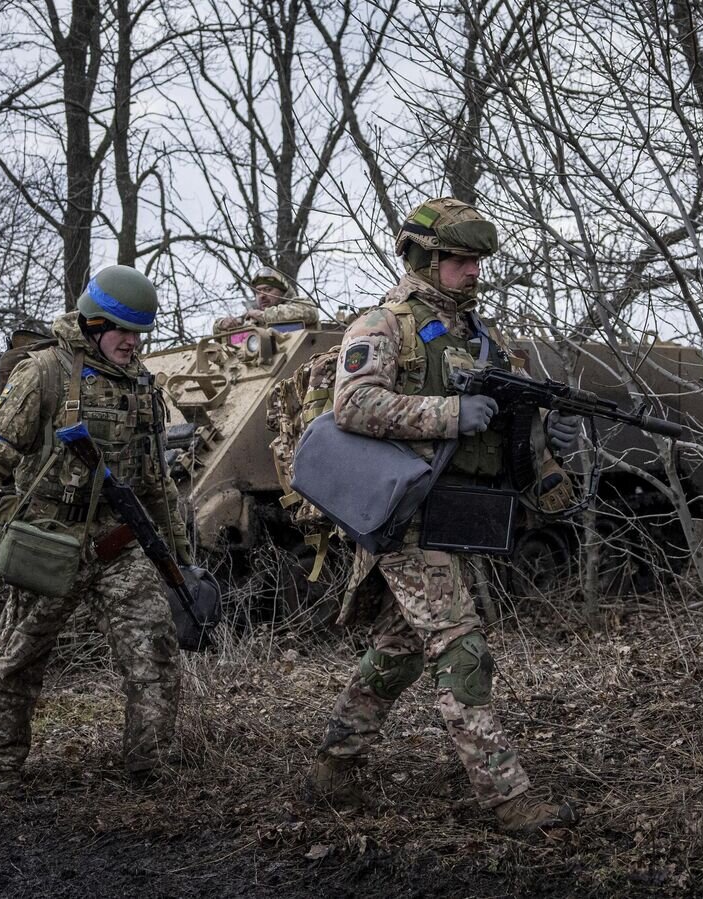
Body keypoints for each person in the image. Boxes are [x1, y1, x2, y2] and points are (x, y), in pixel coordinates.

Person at [306, 198, 582, 832]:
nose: (474, 271)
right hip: (403, 511)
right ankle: (507, 798)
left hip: (459, 515)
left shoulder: (485, 341)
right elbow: (353, 405)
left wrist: (552, 439)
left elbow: (516, 432)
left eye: (478, 261)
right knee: (462, 647)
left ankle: (332, 765)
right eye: (461, 260)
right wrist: (449, 414)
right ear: (425, 259)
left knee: (401, 649)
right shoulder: (384, 325)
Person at [0, 264, 190, 792]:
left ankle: (152, 766)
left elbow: (155, 478)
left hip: (118, 543)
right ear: (94, 324)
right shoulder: (44, 372)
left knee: (155, 648)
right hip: (49, 541)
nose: (133, 342)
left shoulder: (143, 384)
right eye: (122, 330)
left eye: (140, 333)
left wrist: (177, 547)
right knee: (19, 659)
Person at [215, 265, 318, 331]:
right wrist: (222, 324)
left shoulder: (300, 306)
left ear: (282, 292)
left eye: (268, 290)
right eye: (258, 292)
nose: (262, 295)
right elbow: (219, 336)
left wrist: (264, 315)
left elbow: (310, 312)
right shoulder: (250, 319)